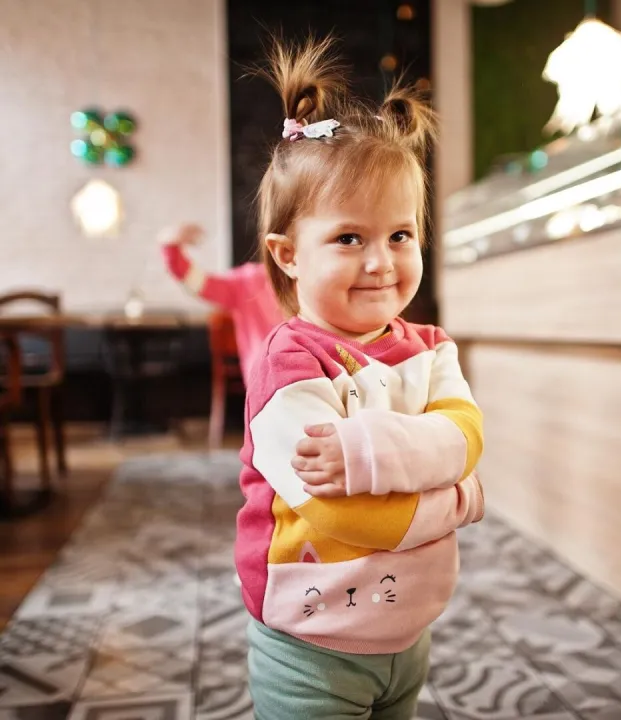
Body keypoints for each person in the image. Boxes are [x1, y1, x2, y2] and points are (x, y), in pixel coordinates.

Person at [238, 36, 484, 719]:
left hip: (410, 629)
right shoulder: (290, 365)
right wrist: (457, 501)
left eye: (400, 235)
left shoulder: (430, 348)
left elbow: (465, 437)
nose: (381, 261)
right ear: (288, 255)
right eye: (350, 238)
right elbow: (341, 513)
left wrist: (367, 453)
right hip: (311, 641)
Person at [158, 225, 284, 385]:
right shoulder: (248, 281)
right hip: (266, 386)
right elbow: (198, 282)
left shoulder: (313, 283)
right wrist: (171, 246)